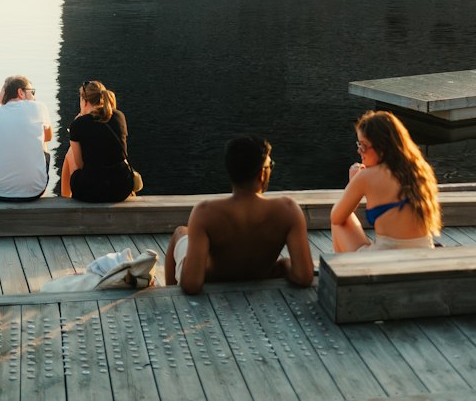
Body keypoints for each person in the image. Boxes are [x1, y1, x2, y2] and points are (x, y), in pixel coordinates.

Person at [165, 136, 314, 293]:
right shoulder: (288, 210)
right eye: (270, 165)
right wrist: (284, 264)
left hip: (211, 277)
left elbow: (192, 284)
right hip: (260, 274)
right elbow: (303, 276)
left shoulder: (205, 213)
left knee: (180, 233)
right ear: (262, 174)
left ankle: (168, 294)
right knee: (182, 233)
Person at [330, 109, 441, 252]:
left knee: (339, 223)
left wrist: (353, 183)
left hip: (385, 259)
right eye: (359, 145)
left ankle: (343, 273)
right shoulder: (421, 170)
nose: (359, 151)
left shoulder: (366, 176)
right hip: (424, 252)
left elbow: (336, 217)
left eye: (363, 146)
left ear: (381, 146)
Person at [60, 79, 138, 202]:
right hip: (121, 189)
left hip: (91, 191)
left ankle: (64, 199)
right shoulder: (119, 116)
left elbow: (80, 165)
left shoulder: (78, 124)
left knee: (70, 153)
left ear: (84, 102)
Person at [0, 74, 53, 202]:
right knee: (42, 142)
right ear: (21, 92)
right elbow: (48, 137)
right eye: (32, 92)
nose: (34, 97)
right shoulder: (39, 108)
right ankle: (39, 190)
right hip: (34, 192)